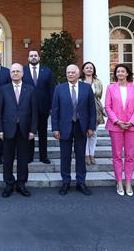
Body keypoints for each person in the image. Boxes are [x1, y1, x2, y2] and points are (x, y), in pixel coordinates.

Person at [51, 64, 96, 196]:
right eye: (68, 72)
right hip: (64, 127)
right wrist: (55, 128)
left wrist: (91, 127)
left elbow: (92, 110)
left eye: (72, 72)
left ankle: (81, 182)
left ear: (78, 74)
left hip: (81, 127)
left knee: (80, 156)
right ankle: (65, 182)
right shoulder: (59, 88)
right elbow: (55, 110)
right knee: (65, 157)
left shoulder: (87, 88)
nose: (70, 74)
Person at [0, 63, 37, 198]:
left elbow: (34, 112)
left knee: (23, 159)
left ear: (22, 73)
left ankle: (21, 184)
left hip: (24, 130)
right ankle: (9, 184)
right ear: (10, 74)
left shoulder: (30, 89)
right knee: (7, 159)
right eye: (13, 71)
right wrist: (0, 130)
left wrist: (33, 130)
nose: (15, 73)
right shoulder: (3, 89)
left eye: (17, 71)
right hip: (8, 130)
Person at [105, 64, 134, 196]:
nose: (120, 73)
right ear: (115, 74)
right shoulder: (110, 88)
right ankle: (119, 182)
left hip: (131, 126)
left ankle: (129, 182)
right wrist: (117, 121)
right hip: (115, 126)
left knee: (130, 156)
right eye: (118, 71)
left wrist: (131, 122)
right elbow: (107, 107)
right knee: (117, 155)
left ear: (127, 73)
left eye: (122, 71)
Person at [23, 50, 56, 164]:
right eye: (31, 56)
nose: (33, 57)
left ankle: (43, 156)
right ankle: (29, 156)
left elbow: (52, 89)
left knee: (43, 133)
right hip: (27, 108)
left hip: (43, 108)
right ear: (28, 58)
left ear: (39, 58)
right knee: (28, 132)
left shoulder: (47, 71)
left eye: (35, 55)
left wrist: (52, 106)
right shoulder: (23, 70)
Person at [80, 61, 104, 165]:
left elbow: (99, 95)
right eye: (87, 68)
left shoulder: (98, 82)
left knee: (94, 133)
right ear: (83, 70)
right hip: (82, 109)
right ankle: (86, 154)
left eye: (91, 68)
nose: (89, 69)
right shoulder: (80, 81)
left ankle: (92, 154)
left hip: (95, 109)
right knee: (85, 133)